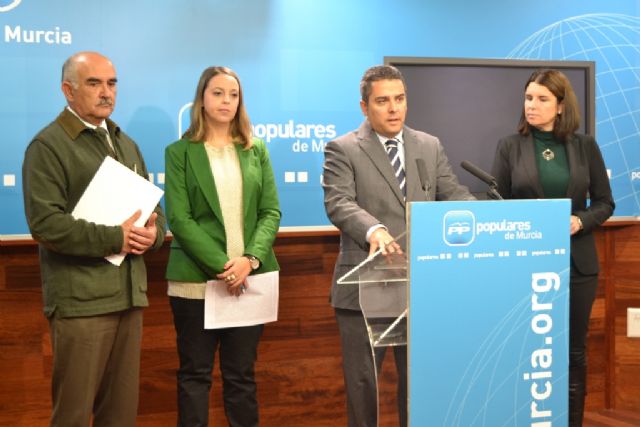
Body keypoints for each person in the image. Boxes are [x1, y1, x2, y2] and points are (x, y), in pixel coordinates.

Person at [322, 64, 474, 427]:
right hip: (365, 286)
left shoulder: (428, 145)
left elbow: (453, 196)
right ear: (364, 107)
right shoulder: (343, 149)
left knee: (417, 385)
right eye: (383, 101)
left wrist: (488, 218)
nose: (394, 109)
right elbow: (339, 202)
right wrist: (372, 229)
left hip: (419, 286)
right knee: (364, 385)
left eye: (400, 99)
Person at [22, 51, 166, 427]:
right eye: (94, 83)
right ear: (68, 91)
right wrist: (113, 238)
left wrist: (153, 235)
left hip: (129, 297)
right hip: (81, 304)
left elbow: (155, 215)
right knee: (71, 416)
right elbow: (46, 224)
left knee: (119, 416)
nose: (106, 92)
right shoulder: (48, 146)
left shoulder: (126, 143)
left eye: (112, 83)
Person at [491, 69, 614, 426]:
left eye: (542, 99)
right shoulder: (509, 146)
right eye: (529, 98)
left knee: (574, 351)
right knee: (526, 351)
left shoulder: (584, 146)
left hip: (577, 265)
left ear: (561, 106)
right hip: (525, 267)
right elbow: (495, 201)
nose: (533, 105)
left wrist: (579, 221)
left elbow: (605, 203)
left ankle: (571, 421)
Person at [164, 66, 280, 427]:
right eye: (217, 93)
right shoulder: (179, 152)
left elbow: (270, 211)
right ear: (202, 99)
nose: (226, 101)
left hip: (249, 281)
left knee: (241, 377)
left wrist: (249, 260)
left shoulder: (255, 149)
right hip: (196, 284)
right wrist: (225, 266)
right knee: (195, 376)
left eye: (233, 94)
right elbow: (180, 219)